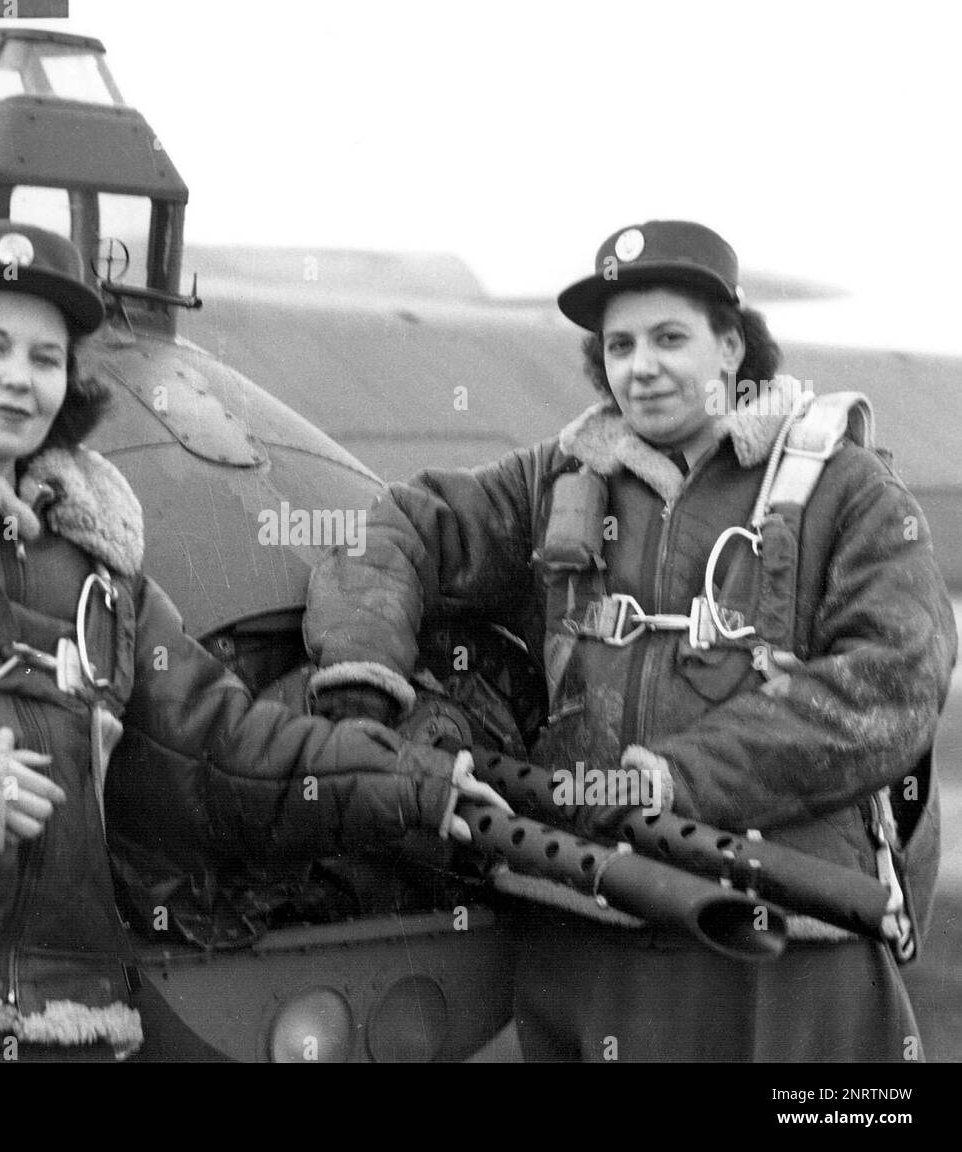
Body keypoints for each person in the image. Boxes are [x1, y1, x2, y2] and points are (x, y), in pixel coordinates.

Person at [0, 219, 503, 1063]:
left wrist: (412, 782)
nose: (17, 380)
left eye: (45, 357)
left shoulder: (100, 575)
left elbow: (220, 751)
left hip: (62, 1022)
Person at [304, 219, 957, 1061]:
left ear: (731, 348)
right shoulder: (556, 479)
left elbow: (894, 681)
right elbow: (398, 528)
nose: (640, 365)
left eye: (669, 338)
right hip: (585, 922)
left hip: (792, 938)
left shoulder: (847, 490)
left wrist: (684, 777)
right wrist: (363, 683)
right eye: (619, 344)